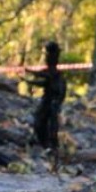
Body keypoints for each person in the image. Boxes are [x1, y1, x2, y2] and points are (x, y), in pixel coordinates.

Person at [27, 41, 67, 170]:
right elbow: (45, 80)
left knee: (50, 125)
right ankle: (44, 145)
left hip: (52, 101)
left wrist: (31, 75)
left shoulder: (55, 74)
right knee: (40, 122)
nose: (47, 58)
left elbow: (48, 78)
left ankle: (52, 149)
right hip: (47, 100)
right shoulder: (51, 72)